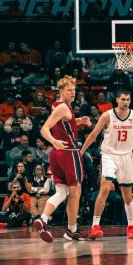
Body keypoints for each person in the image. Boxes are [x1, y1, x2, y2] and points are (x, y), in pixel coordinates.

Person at [80, 89, 133, 240]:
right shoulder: (107, 116)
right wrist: (81, 152)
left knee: (127, 194)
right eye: (123, 99)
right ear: (117, 100)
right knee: (104, 187)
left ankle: (131, 226)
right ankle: (95, 226)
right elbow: (93, 135)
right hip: (109, 155)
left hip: (126, 156)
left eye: (128, 99)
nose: (126, 102)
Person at [33, 75, 92, 242]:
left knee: (61, 192)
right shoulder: (63, 108)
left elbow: (63, 123)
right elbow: (44, 129)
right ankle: (72, 230)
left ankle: (43, 219)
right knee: (75, 193)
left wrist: (78, 120)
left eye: (74, 90)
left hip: (57, 155)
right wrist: (53, 141)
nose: (73, 93)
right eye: (69, 90)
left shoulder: (58, 106)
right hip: (69, 153)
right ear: (61, 91)